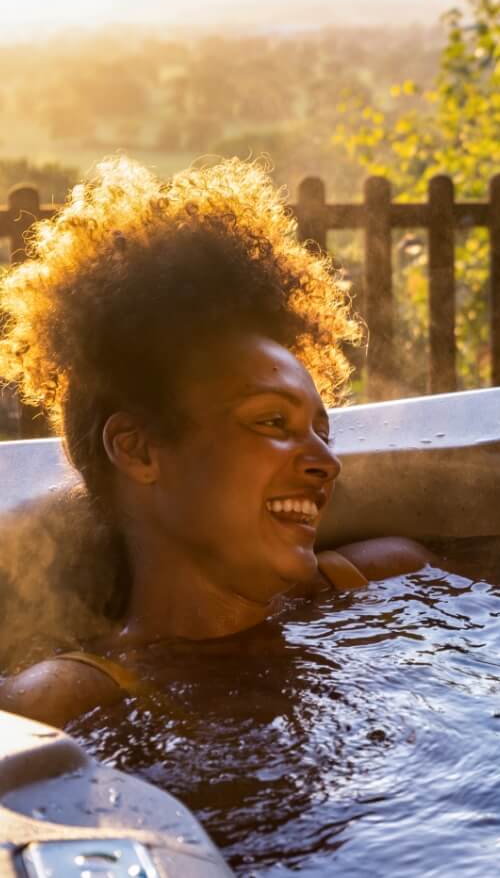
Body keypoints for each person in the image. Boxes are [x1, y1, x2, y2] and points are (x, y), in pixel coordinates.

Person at [0, 156, 438, 728]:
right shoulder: (65, 702)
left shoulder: (385, 581)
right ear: (138, 450)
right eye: (272, 423)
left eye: (321, 432)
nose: (326, 463)